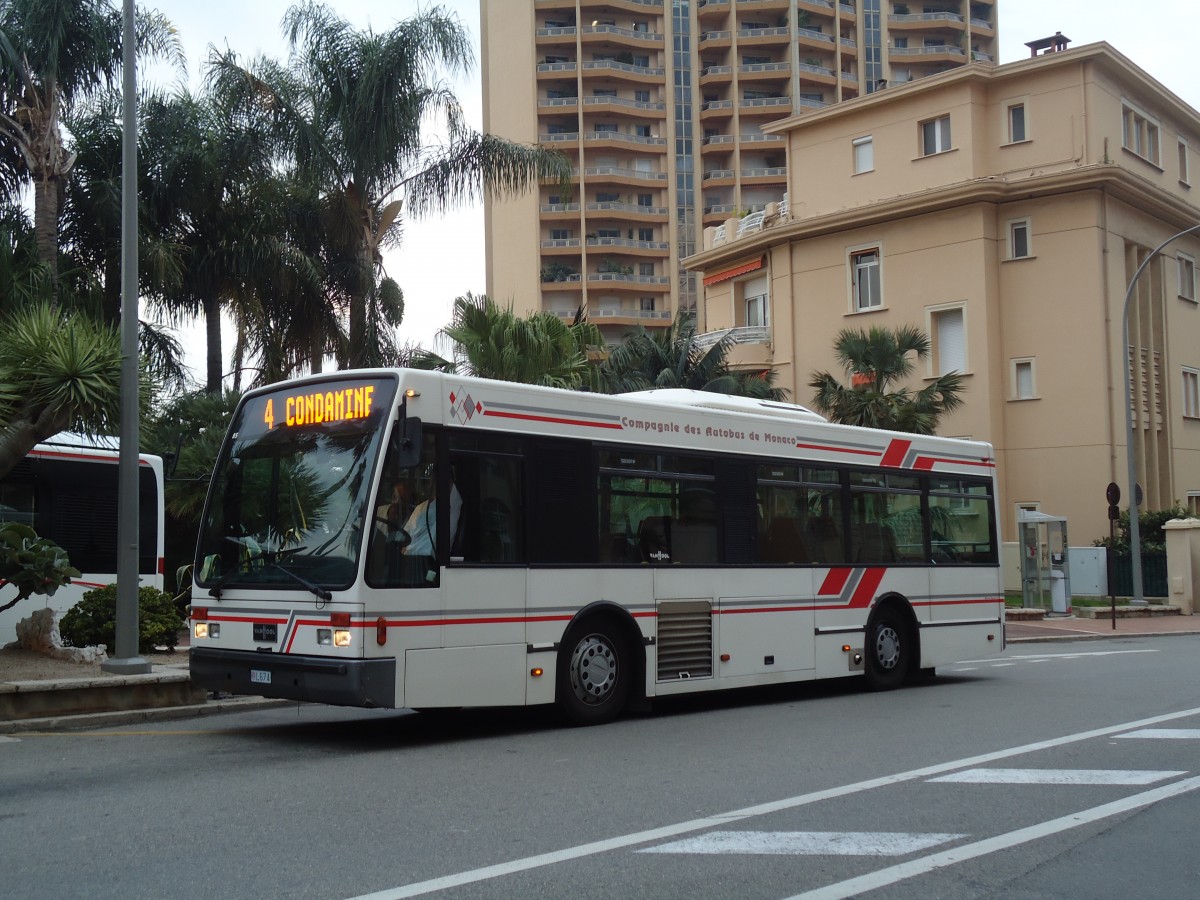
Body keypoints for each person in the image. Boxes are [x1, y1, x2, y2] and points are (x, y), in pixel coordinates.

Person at [402, 467, 462, 558]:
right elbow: (405, 535)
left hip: (423, 560)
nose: (430, 485)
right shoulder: (421, 507)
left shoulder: (450, 506)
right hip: (409, 555)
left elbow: (429, 548)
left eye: (434, 480)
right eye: (430, 481)